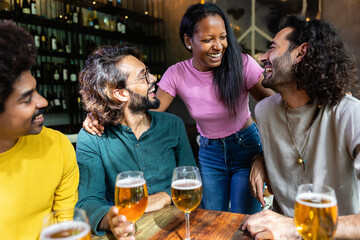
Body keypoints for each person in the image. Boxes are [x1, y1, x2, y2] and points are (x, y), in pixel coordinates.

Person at [83, 2, 274, 214]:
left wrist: (264, 156)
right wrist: (102, 113)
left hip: (245, 146)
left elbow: (275, 109)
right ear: (188, 41)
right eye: (208, 39)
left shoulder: (243, 64)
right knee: (209, 218)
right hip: (210, 153)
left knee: (244, 219)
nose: (219, 46)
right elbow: (144, 113)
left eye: (223, 37)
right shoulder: (177, 73)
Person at [242, 15, 360, 239]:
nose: (262, 57)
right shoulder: (264, 111)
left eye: (272, 48)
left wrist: (296, 226)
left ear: (300, 53)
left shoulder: (350, 113)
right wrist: (260, 158)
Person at [75, 44, 196, 237]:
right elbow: (87, 203)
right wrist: (113, 220)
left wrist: (165, 196)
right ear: (120, 93)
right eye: (143, 76)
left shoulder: (173, 125)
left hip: (178, 229)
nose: (154, 78)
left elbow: (192, 179)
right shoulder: (93, 137)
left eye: (148, 72)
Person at [0, 20, 79, 239]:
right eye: (27, 99)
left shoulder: (57, 145)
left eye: (37, 91)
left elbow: (67, 225)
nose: (43, 101)